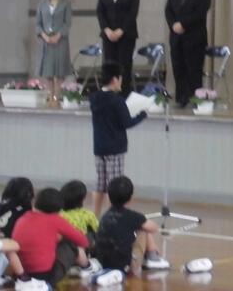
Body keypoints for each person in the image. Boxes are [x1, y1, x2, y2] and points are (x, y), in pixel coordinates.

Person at [90, 63, 147, 217]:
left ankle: (95, 216)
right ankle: (113, 217)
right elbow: (127, 123)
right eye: (120, 78)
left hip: (99, 147)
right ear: (115, 79)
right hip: (114, 148)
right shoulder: (117, 100)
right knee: (114, 186)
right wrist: (142, 115)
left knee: (100, 184)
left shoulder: (94, 97)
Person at [11, 188, 97, 286]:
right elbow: (83, 241)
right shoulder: (56, 220)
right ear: (58, 210)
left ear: (34, 202)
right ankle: (87, 267)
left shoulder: (22, 218)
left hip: (21, 274)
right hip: (45, 277)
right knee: (72, 243)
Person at [96, 176, 169, 275]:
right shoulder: (133, 216)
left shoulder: (105, 215)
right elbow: (154, 228)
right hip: (124, 266)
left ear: (109, 196)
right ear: (130, 197)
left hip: (102, 262)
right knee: (144, 228)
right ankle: (153, 257)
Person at [164, 0, 212, 107]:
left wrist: (183, 24)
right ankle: (181, 99)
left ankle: (195, 99)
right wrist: (173, 24)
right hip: (176, 38)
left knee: (194, 70)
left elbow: (199, 14)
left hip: (195, 39)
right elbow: (168, 11)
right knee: (178, 69)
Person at [97, 0, 140, 98]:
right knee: (108, 65)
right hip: (108, 35)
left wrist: (121, 30)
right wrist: (107, 29)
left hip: (126, 35)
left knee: (124, 65)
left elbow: (132, 13)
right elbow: (100, 12)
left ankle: (124, 96)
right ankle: (108, 95)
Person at [35, 0, 73, 101]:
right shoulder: (42, 4)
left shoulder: (66, 3)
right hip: (46, 42)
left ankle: (57, 97)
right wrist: (44, 36)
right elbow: (38, 24)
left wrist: (58, 35)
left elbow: (67, 23)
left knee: (60, 71)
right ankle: (51, 97)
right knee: (48, 71)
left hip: (60, 41)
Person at [60, 181, 98, 248]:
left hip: (63, 247)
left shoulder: (57, 214)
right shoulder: (88, 214)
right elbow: (97, 230)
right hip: (82, 246)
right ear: (82, 200)